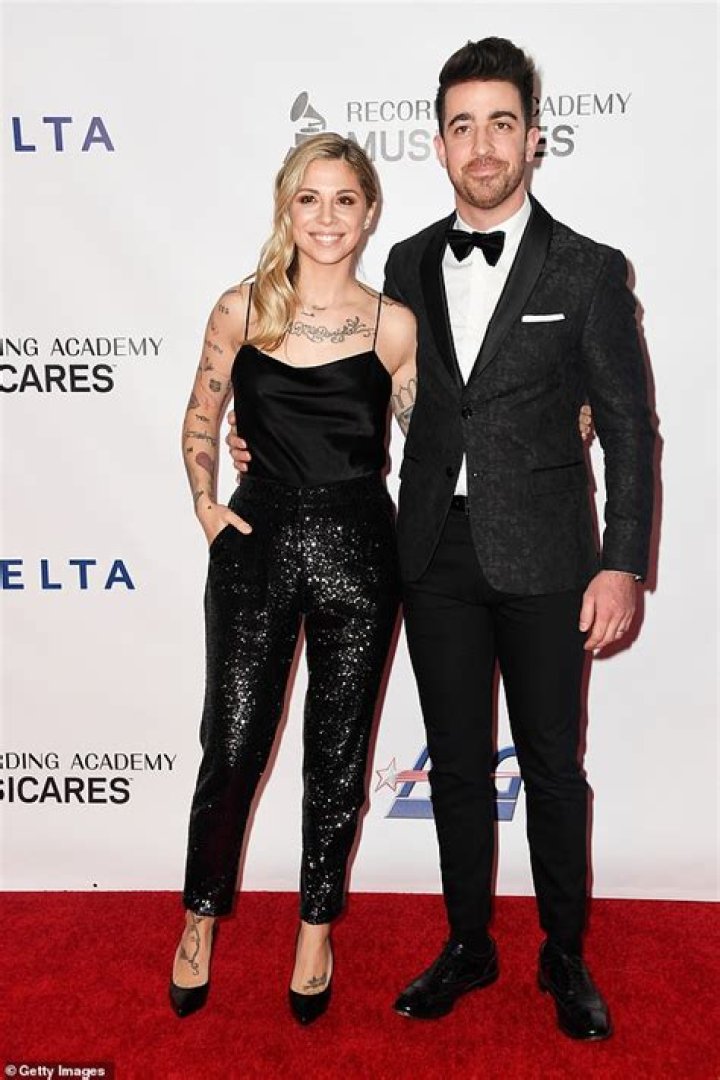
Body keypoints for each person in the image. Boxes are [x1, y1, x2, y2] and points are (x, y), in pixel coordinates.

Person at [229, 38, 654, 1041]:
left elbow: (630, 428)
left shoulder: (591, 269)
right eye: (463, 125)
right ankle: (469, 943)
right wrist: (267, 433)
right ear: (439, 143)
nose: (483, 144)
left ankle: (563, 954)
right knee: (457, 764)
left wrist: (623, 562)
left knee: (552, 766)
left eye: (502, 123)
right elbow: (367, 391)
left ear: (533, 137)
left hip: (551, 556)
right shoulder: (408, 263)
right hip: (430, 553)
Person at [170, 133, 418, 1023]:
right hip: (258, 543)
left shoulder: (393, 326)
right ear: (286, 205)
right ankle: (200, 914)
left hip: (361, 550)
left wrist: (553, 422)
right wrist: (207, 504)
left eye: (344, 199)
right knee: (234, 741)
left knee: (338, 754)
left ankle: (316, 926)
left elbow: (439, 441)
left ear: (369, 211)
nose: (326, 217)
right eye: (309, 198)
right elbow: (200, 417)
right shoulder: (241, 309)